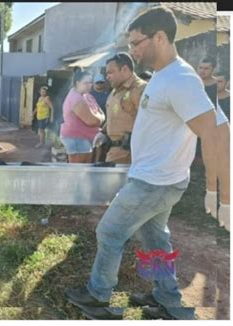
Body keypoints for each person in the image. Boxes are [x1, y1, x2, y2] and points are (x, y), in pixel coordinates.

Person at [64, 7, 229, 320]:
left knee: (110, 232)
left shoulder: (180, 79)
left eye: (136, 43)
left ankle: (99, 296)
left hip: (156, 181)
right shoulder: (166, 76)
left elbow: (218, 132)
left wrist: (218, 193)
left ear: (160, 37)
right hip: (157, 178)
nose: (132, 50)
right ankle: (167, 298)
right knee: (156, 239)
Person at [93, 52, 147, 164]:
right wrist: (103, 132)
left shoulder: (139, 90)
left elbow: (148, 122)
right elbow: (115, 115)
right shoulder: (115, 91)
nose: (107, 77)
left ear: (125, 69)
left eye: (111, 72)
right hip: (114, 153)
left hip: (132, 157)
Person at [59, 69, 105, 163]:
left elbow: (101, 114)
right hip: (77, 139)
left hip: (83, 138)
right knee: (79, 172)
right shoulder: (76, 98)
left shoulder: (86, 96)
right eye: (86, 83)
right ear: (77, 82)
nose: (89, 85)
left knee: (83, 171)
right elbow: (92, 120)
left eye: (90, 82)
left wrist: (99, 117)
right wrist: (99, 117)